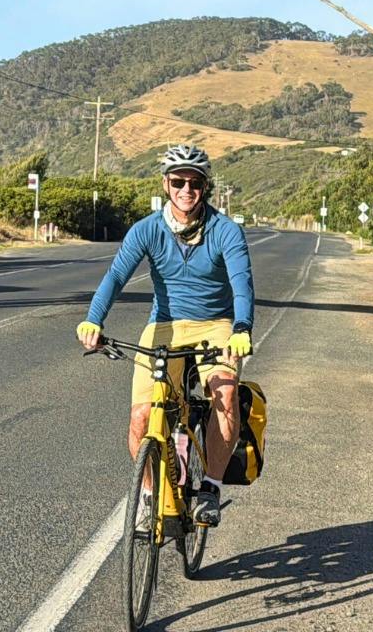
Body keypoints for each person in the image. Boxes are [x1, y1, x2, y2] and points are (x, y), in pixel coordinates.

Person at [76, 144, 253, 529]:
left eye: (194, 182)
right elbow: (116, 276)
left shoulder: (226, 232)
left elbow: (242, 284)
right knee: (142, 415)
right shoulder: (147, 230)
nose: (186, 189)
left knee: (224, 395)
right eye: (178, 182)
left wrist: (241, 328)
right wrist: (94, 320)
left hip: (216, 324)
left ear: (205, 187)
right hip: (165, 326)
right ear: (166, 184)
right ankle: (148, 495)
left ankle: (209, 486)